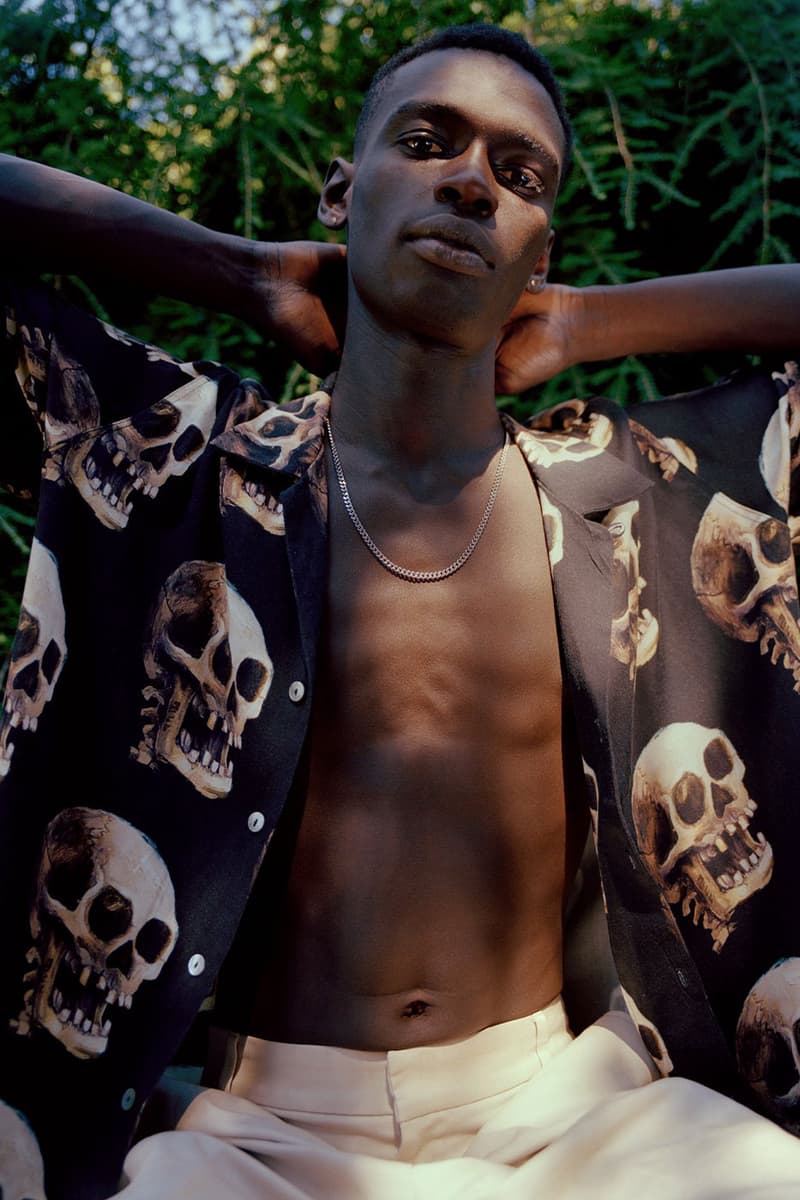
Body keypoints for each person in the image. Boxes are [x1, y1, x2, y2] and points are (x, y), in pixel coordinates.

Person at [1, 22, 799, 1200]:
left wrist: (588, 321)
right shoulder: (181, 459)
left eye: (518, 175)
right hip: (262, 1133)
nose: (470, 182)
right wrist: (236, 271)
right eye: (426, 143)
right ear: (341, 192)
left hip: (568, 1110)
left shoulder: (628, 498)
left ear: (542, 244)